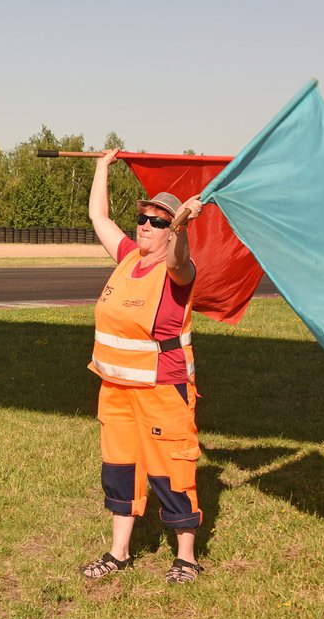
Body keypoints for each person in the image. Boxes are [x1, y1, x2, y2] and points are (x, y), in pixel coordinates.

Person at [82, 148, 206, 584]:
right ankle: (119, 554)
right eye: (144, 219)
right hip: (115, 389)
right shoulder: (129, 258)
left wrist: (182, 227)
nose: (146, 226)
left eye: (158, 222)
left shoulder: (177, 270)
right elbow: (99, 217)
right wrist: (102, 167)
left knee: (171, 468)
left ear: (171, 231)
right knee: (120, 468)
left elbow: (180, 259)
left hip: (162, 389)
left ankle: (186, 557)